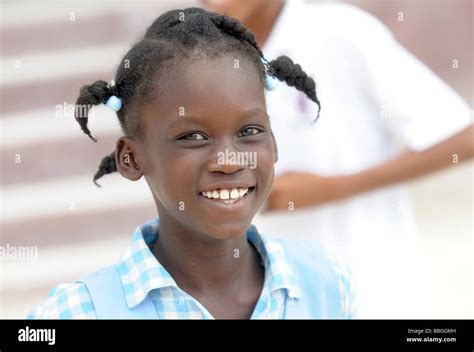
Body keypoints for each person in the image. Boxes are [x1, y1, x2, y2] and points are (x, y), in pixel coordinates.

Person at [27, 7, 354, 319]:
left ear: (274, 141)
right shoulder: (79, 313)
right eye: (193, 137)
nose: (228, 161)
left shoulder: (327, 284)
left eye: (250, 131)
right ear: (131, 158)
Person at [203, 0, 474, 317]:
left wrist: (332, 188)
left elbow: (464, 137)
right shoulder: (200, 57)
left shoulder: (339, 32)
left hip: (372, 295)